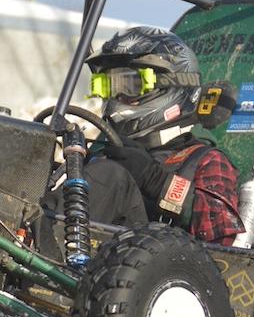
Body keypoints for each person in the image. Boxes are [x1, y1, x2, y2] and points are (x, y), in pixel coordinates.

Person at [86, 25, 244, 245]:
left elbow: (221, 240)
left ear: (172, 86)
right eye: (108, 85)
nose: (118, 96)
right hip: (104, 257)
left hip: (163, 267)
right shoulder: (102, 149)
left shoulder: (205, 160)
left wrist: (155, 180)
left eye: (130, 84)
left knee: (110, 174)